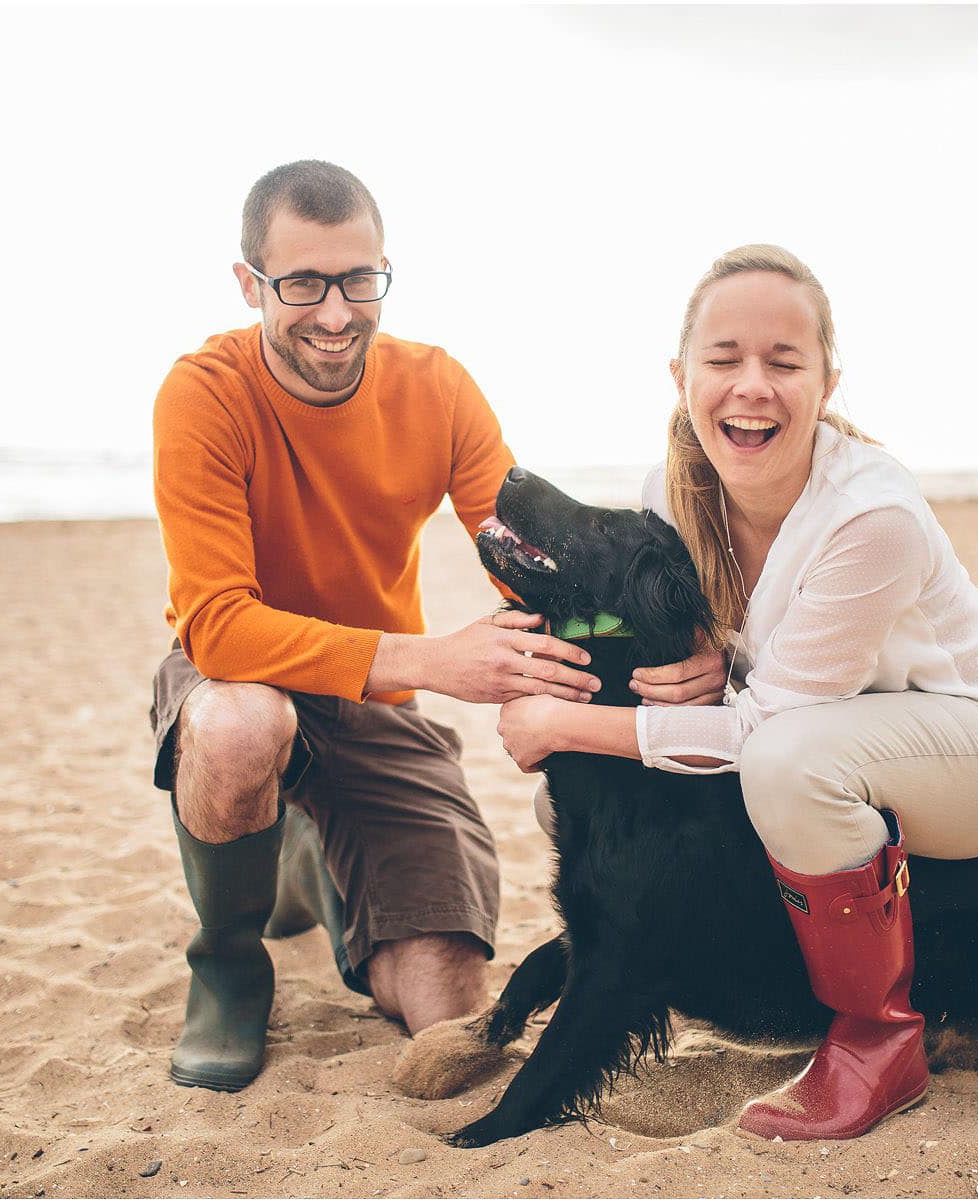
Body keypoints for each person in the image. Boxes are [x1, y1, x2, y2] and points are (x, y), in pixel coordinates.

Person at [496, 244, 978, 1141]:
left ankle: (878, 1040)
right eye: (723, 360)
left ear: (827, 381)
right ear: (680, 375)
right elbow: (736, 672)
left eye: (783, 362)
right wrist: (707, 668)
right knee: (572, 801)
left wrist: (565, 722)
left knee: (788, 764)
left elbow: (767, 730)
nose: (751, 386)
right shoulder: (671, 494)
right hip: (846, 738)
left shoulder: (870, 515)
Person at [148, 160, 693, 1093]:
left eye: (359, 279)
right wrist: (438, 660)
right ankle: (229, 964)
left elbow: (524, 550)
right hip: (244, 680)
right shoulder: (204, 392)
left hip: (377, 707)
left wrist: (681, 638)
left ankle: (311, 868)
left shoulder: (435, 387)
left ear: (383, 269)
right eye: (303, 283)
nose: (334, 311)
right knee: (246, 729)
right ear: (251, 285)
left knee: (445, 1003)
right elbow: (219, 626)